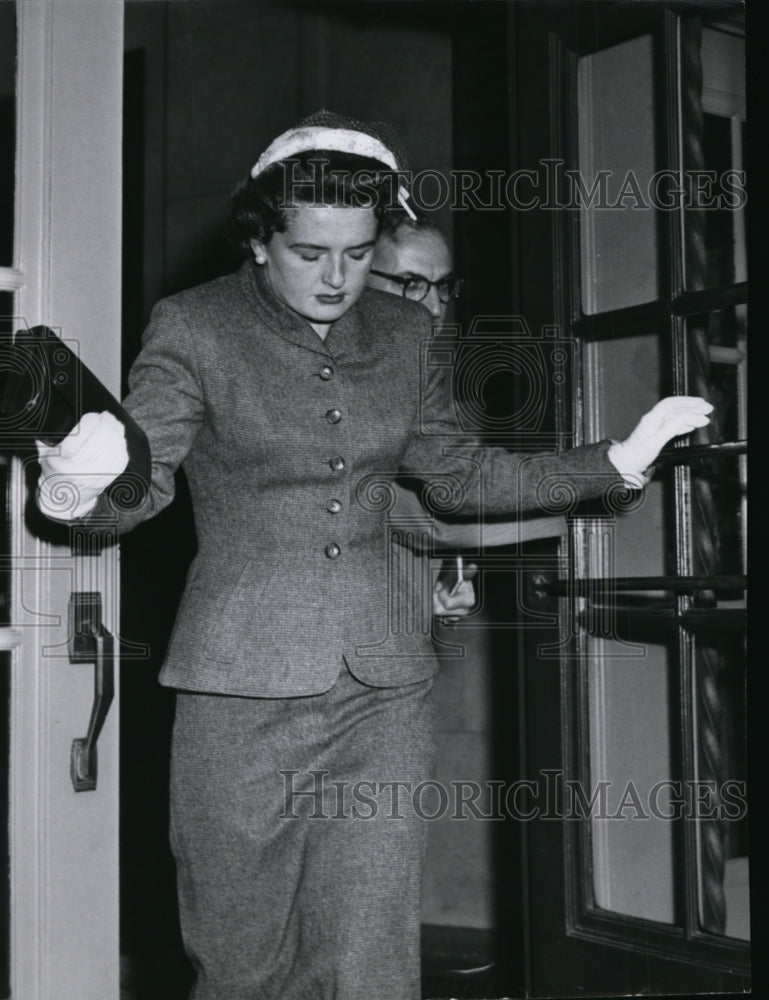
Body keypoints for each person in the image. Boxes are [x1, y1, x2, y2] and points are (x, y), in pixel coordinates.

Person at [34, 110, 712, 1000]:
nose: (337, 277)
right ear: (258, 240)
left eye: (356, 253)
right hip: (240, 686)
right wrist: (79, 486)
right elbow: (144, 483)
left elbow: (459, 475)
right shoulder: (193, 326)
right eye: (310, 252)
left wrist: (614, 461)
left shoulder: (403, 332)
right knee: (243, 960)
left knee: (370, 958)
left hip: (383, 685)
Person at [368, 210, 478, 623]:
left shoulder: (427, 383)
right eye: (412, 284)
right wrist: (603, 472)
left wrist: (449, 579)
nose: (434, 306)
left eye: (443, 285)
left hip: (401, 647)